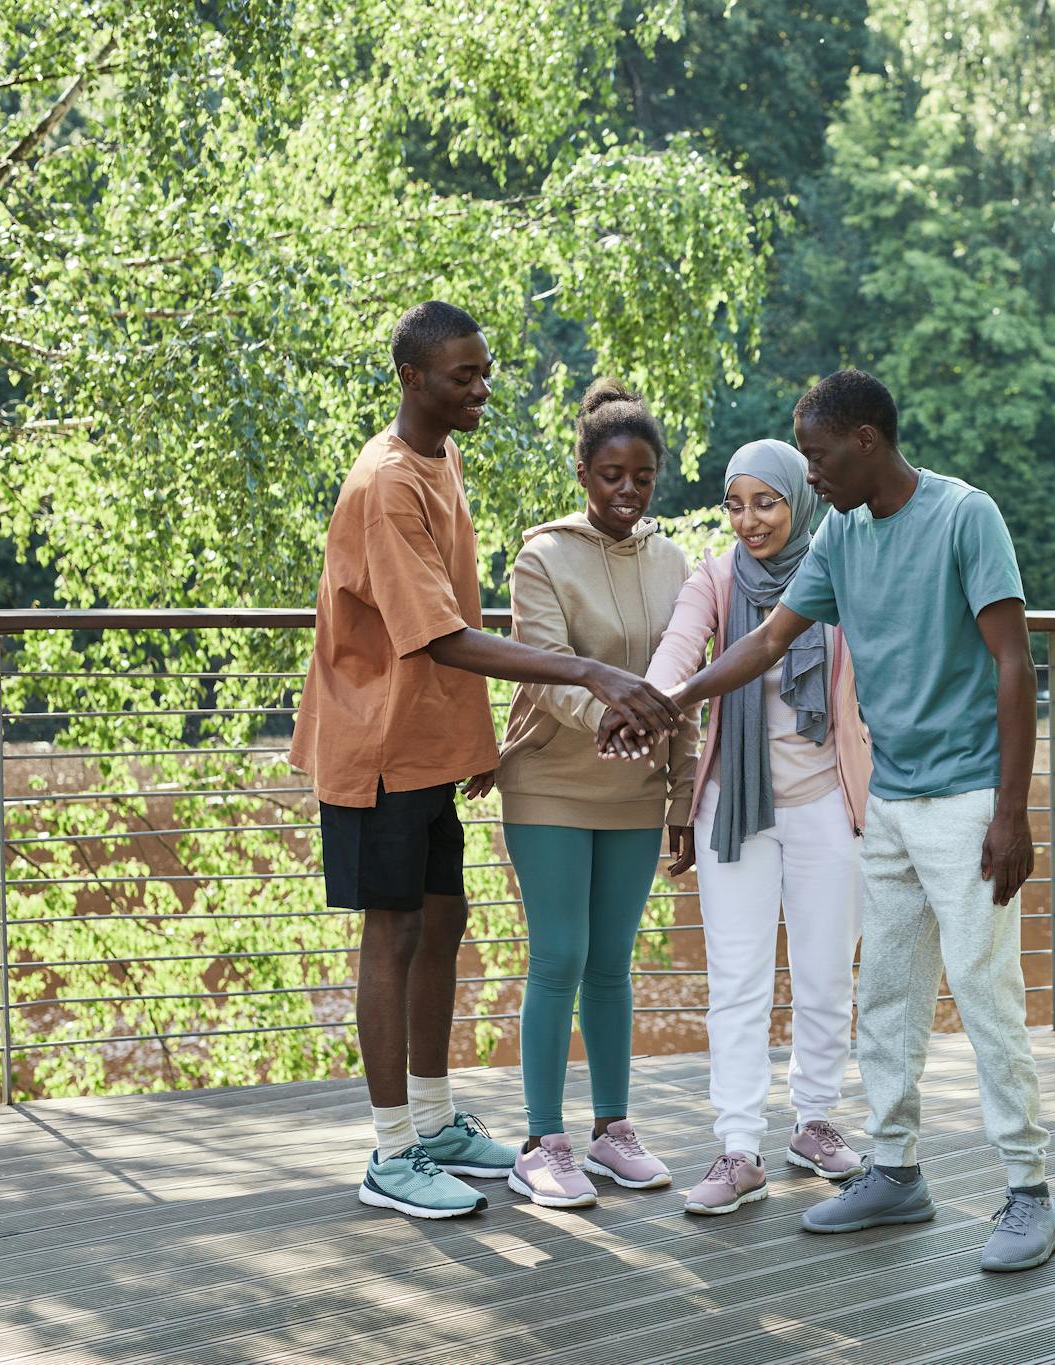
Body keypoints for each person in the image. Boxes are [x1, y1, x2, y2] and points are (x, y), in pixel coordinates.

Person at [600, 369, 1055, 1271]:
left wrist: (1013, 811)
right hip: (888, 801)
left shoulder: (968, 517)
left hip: (967, 799)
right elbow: (770, 639)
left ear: (865, 441)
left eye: (815, 458)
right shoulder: (845, 535)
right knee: (884, 994)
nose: (811, 479)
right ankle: (894, 1170)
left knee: (984, 993)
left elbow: (1014, 664)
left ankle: (1028, 1190)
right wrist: (676, 698)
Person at [291, 303, 681, 1221]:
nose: (482, 388)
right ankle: (391, 1152)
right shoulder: (388, 483)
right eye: (464, 376)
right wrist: (587, 668)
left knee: (443, 918)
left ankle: (432, 1121)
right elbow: (442, 635)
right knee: (389, 937)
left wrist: (473, 744)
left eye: (484, 370)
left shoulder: (441, 456)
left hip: (427, 748)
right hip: (375, 748)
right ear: (411, 379)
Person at [641, 439, 872, 1217]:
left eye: (766, 502)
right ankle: (739, 1147)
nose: (749, 521)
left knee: (825, 974)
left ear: (799, 501)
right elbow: (677, 652)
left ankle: (814, 1122)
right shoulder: (713, 578)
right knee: (735, 984)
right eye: (736, 504)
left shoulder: (837, 572)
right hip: (733, 811)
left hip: (824, 804)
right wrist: (651, 698)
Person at [493, 378, 699, 1210]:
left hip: (635, 788)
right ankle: (543, 1143)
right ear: (583, 472)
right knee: (560, 955)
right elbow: (546, 672)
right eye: (612, 475)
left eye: (643, 477)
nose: (627, 491)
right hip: (550, 780)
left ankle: (613, 1132)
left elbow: (684, 679)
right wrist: (614, 721)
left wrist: (681, 793)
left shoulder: (677, 560)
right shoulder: (541, 557)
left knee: (612, 964)